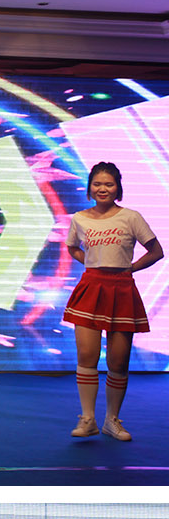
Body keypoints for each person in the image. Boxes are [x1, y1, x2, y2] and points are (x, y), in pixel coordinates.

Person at [62, 161, 161, 441]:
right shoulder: (80, 218)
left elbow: (156, 251)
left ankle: (111, 420)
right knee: (87, 356)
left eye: (109, 184)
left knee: (118, 361)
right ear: (89, 187)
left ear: (118, 188)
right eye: (97, 184)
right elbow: (72, 247)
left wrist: (130, 268)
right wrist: (91, 263)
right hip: (90, 288)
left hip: (122, 290)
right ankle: (88, 419)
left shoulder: (131, 217)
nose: (102, 188)